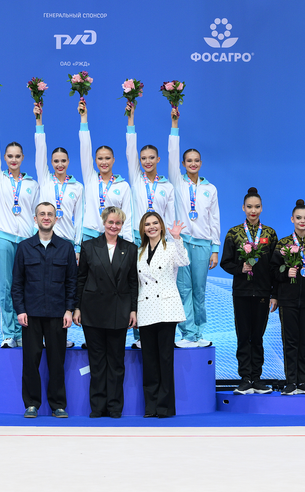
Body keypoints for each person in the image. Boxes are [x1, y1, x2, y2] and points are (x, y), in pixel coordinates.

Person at [12, 202, 77, 418]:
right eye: (42, 214)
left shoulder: (66, 248)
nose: (46, 217)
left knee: (56, 361)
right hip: (31, 314)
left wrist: (69, 310)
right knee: (30, 361)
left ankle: (58, 405)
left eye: (50, 214)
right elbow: (17, 283)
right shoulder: (24, 247)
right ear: (35, 219)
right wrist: (20, 310)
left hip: (58, 314)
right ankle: (31, 404)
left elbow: (72, 283)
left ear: (56, 219)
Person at [74, 206, 138, 418]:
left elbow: (132, 282)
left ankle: (114, 407)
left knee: (116, 362)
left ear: (122, 225)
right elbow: (80, 278)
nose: (114, 226)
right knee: (97, 362)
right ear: (104, 222)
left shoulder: (130, 248)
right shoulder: (89, 246)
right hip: (92, 311)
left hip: (119, 312)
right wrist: (76, 307)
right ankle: (98, 407)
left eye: (118, 223)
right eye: (110, 222)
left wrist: (133, 310)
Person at [0, 100, 39, 348]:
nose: (13, 159)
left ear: (23, 158)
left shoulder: (32, 183)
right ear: (5, 158)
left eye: (17, 156)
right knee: (6, 285)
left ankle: (24, 331)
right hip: (3, 237)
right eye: (9, 156)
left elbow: (38, 214)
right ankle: (9, 334)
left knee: (26, 286)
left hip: (27, 240)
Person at [167, 108, 220, 348]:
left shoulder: (211, 188)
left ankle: (199, 332)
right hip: (181, 243)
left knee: (200, 290)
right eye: (188, 161)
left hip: (202, 245)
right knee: (183, 290)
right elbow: (172, 152)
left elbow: (214, 219)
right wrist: (175, 124)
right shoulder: (177, 182)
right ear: (182, 164)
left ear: (201, 163)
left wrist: (215, 248)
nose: (193, 163)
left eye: (196, 160)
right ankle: (187, 333)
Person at [33, 102, 84, 349]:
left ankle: (62, 334)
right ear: (51, 163)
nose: (60, 164)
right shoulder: (45, 180)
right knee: (42, 287)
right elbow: (39, 148)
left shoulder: (78, 187)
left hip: (66, 246)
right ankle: (39, 335)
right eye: (56, 161)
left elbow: (81, 218)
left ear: (68, 162)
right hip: (44, 241)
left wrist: (77, 246)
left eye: (63, 160)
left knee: (63, 289)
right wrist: (39, 119)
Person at [125, 103, 176, 349]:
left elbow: (172, 216)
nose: (146, 161)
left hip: (161, 242)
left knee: (163, 284)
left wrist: (172, 241)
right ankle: (139, 337)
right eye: (142, 158)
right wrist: (131, 117)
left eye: (150, 158)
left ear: (158, 159)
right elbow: (129, 148)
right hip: (139, 240)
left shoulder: (167, 185)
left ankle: (169, 330)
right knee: (139, 285)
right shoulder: (135, 179)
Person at [220, 187, 278, 395]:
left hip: (262, 293)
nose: (253, 211)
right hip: (242, 293)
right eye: (249, 207)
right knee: (243, 336)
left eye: (257, 207)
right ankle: (245, 378)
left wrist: (274, 294)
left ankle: (257, 378)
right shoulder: (234, 233)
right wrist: (240, 269)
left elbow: (274, 267)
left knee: (258, 336)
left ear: (262, 208)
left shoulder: (270, 234)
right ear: (243, 208)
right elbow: (225, 262)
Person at [270, 199, 305, 395]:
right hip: (287, 300)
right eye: (299, 218)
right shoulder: (283, 244)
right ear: (292, 219)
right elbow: (273, 272)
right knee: (290, 341)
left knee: (304, 341)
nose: (302, 221)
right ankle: (290, 382)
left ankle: (303, 381)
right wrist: (277, 290)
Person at [136, 212, 188, 417]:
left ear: (161, 226)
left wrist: (177, 237)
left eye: (155, 223)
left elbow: (184, 261)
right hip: (146, 309)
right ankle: (151, 407)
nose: (151, 227)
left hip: (167, 309)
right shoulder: (139, 251)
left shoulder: (171, 247)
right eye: (147, 224)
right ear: (143, 228)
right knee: (149, 360)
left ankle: (165, 407)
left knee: (165, 359)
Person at [79, 101, 133, 243]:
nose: (104, 162)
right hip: (90, 236)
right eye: (100, 158)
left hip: (113, 237)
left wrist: (129, 244)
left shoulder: (123, 186)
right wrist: (84, 119)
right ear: (94, 161)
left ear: (113, 160)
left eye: (107, 158)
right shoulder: (90, 178)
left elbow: (127, 216)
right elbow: (85, 149)